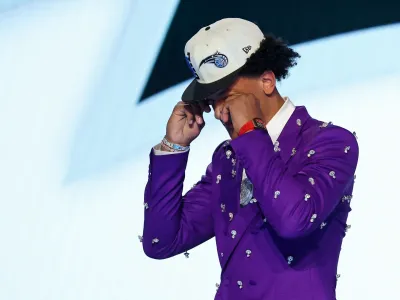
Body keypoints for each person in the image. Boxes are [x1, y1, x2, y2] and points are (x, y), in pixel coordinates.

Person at [141, 18, 359, 300]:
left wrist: (249, 132)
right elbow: (161, 242)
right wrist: (174, 146)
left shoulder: (330, 142)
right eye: (212, 101)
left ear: (267, 81)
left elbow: (294, 220)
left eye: (229, 98)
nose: (220, 113)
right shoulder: (227, 161)